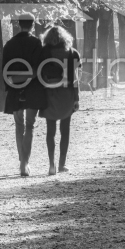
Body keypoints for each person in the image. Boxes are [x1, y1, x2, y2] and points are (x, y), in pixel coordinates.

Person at [2, 18, 48, 177]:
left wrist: (11, 87)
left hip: (15, 89)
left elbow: (4, 70)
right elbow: (41, 67)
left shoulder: (9, 44)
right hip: (33, 88)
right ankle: (24, 163)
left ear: (18, 24)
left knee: (19, 125)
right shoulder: (37, 43)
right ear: (33, 25)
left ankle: (22, 160)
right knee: (30, 125)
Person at [38, 25, 80, 175]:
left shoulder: (43, 52)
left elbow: (39, 73)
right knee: (65, 130)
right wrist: (77, 98)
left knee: (50, 131)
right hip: (67, 93)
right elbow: (75, 78)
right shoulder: (72, 53)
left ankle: (51, 165)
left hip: (49, 93)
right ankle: (62, 164)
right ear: (65, 37)